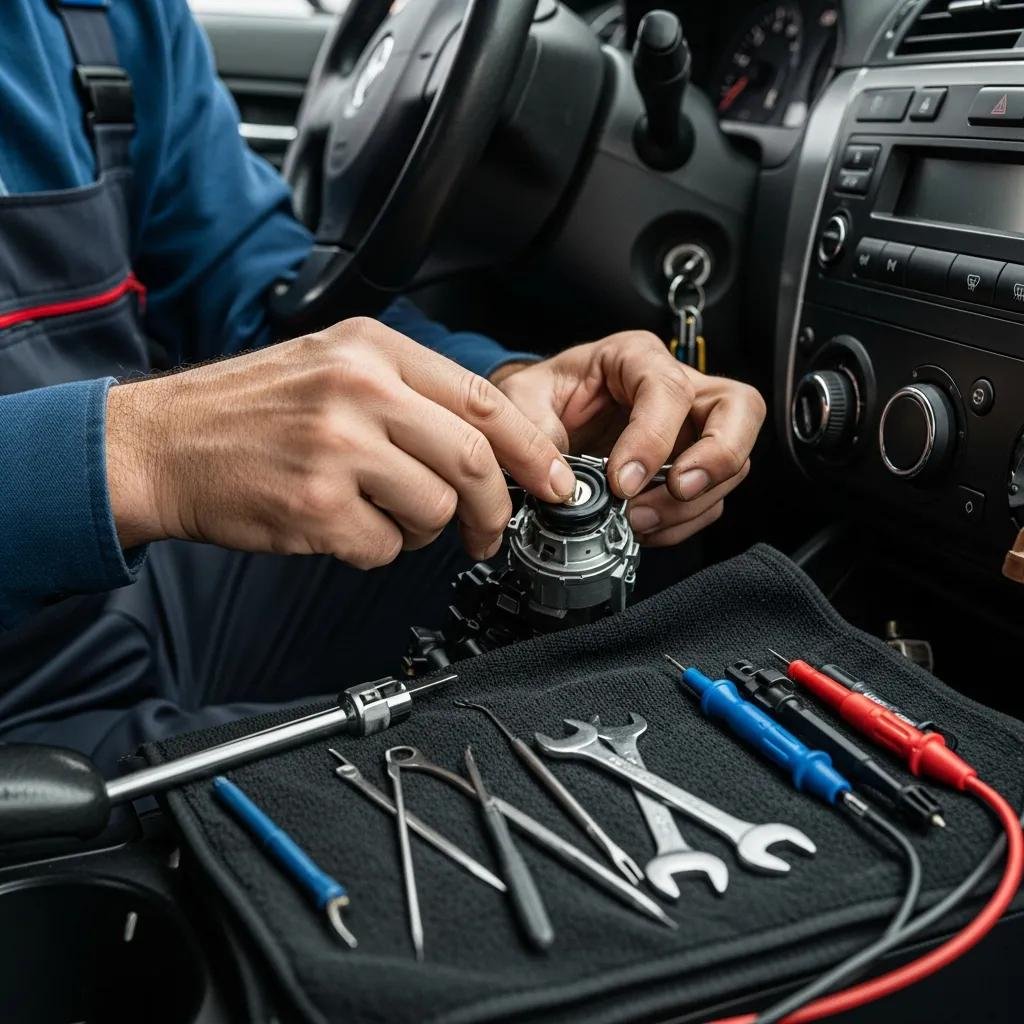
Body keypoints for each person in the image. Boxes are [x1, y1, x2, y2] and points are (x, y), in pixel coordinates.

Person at [0, 0, 765, 776]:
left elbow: (248, 281)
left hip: (146, 583)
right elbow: (152, 444)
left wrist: (499, 392)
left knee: (651, 559)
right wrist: (138, 454)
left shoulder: (105, 16)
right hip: (19, 695)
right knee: (485, 781)